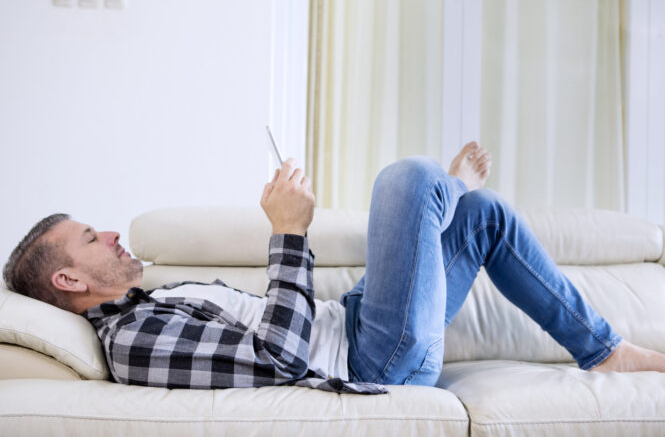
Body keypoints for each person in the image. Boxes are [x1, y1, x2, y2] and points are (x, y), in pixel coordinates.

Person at [3, 142, 665, 394]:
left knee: (481, 215)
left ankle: (601, 351)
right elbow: (283, 361)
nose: (113, 232)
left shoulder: (157, 299)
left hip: (353, 321)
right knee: (407, 178)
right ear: (69, 281)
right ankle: (445, 189)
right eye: (91, 237)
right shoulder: (132, 341)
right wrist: (288, 231)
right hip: (374, 360)